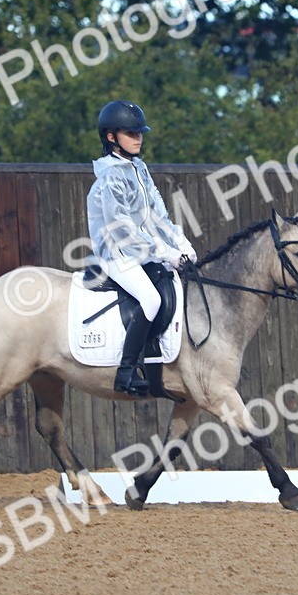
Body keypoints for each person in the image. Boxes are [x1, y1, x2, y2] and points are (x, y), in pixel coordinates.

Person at [87, 100, 196, 397]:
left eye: (140, 133)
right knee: (150, 299)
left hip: (141, 253)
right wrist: (166, 253)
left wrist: (181, 243)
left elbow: (156, 215)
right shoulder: (110, 175)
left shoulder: (139, 168)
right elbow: (124, 230)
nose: (138, 138)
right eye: (130, 133)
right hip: (116, 253)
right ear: (111, 137)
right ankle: (125, 373)